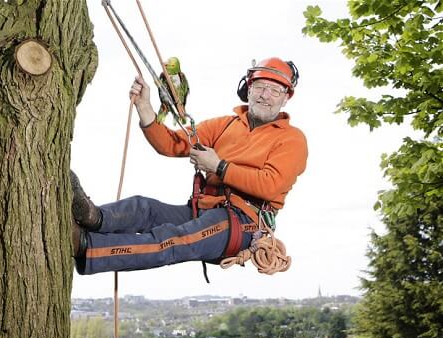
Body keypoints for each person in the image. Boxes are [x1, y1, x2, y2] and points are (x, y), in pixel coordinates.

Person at [71, 57, 307, 276]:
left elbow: (269, 185)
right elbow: (173, 145)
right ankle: (94, 217)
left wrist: (219, 167)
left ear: (286, 97)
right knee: (143, 208)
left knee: (171, 240)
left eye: (275, 90)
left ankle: (82, 244)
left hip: (243, 220)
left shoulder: (291, 139)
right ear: (248, 89)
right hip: (204, 208)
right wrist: (145, 109)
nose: (265, 95)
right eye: (260, 87)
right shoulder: (225, 126)